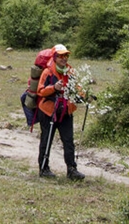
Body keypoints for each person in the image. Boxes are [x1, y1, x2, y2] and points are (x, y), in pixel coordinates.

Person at [36, 44, 85, 180]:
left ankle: (72, 170)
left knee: (68, 140)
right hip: (48, 111)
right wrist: (53, 88)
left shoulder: (70, 71)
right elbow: (40, 91)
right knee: (47, 139)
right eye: (61, 56)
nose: (64, 59)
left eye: (66, 56)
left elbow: (78, 88)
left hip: (66, 111)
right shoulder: (47, 72)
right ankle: (44, 168)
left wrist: (84, 96)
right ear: (55, 57)